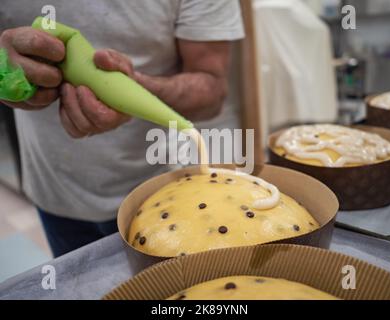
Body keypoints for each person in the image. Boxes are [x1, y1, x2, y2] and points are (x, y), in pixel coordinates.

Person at [0, 0, 244, 257]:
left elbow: (211, 89)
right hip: (53, 188)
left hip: (159, 192)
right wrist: (5, 72)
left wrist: (134, 90)